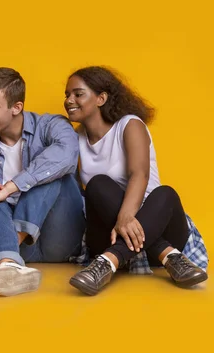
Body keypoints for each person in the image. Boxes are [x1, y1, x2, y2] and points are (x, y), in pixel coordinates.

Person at [65, 66, 208, 295]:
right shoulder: (74, 138)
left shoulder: (129, 125)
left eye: (77, 94)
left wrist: (126, 216)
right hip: (108, 233)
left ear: (101, 98)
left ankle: (108, 262)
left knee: (166, 194)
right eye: (67, 95)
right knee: (98, 185)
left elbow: (139, 174)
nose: (69, 100)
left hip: (156, 221)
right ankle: (168, 255)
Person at [0, 67, 85, 297]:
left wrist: (11, 187)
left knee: (52, 175)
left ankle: (4, 247)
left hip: (60, 235)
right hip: (23, 253)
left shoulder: (52, 125)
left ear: (16, 107)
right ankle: (7, 264)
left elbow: (66, 155)